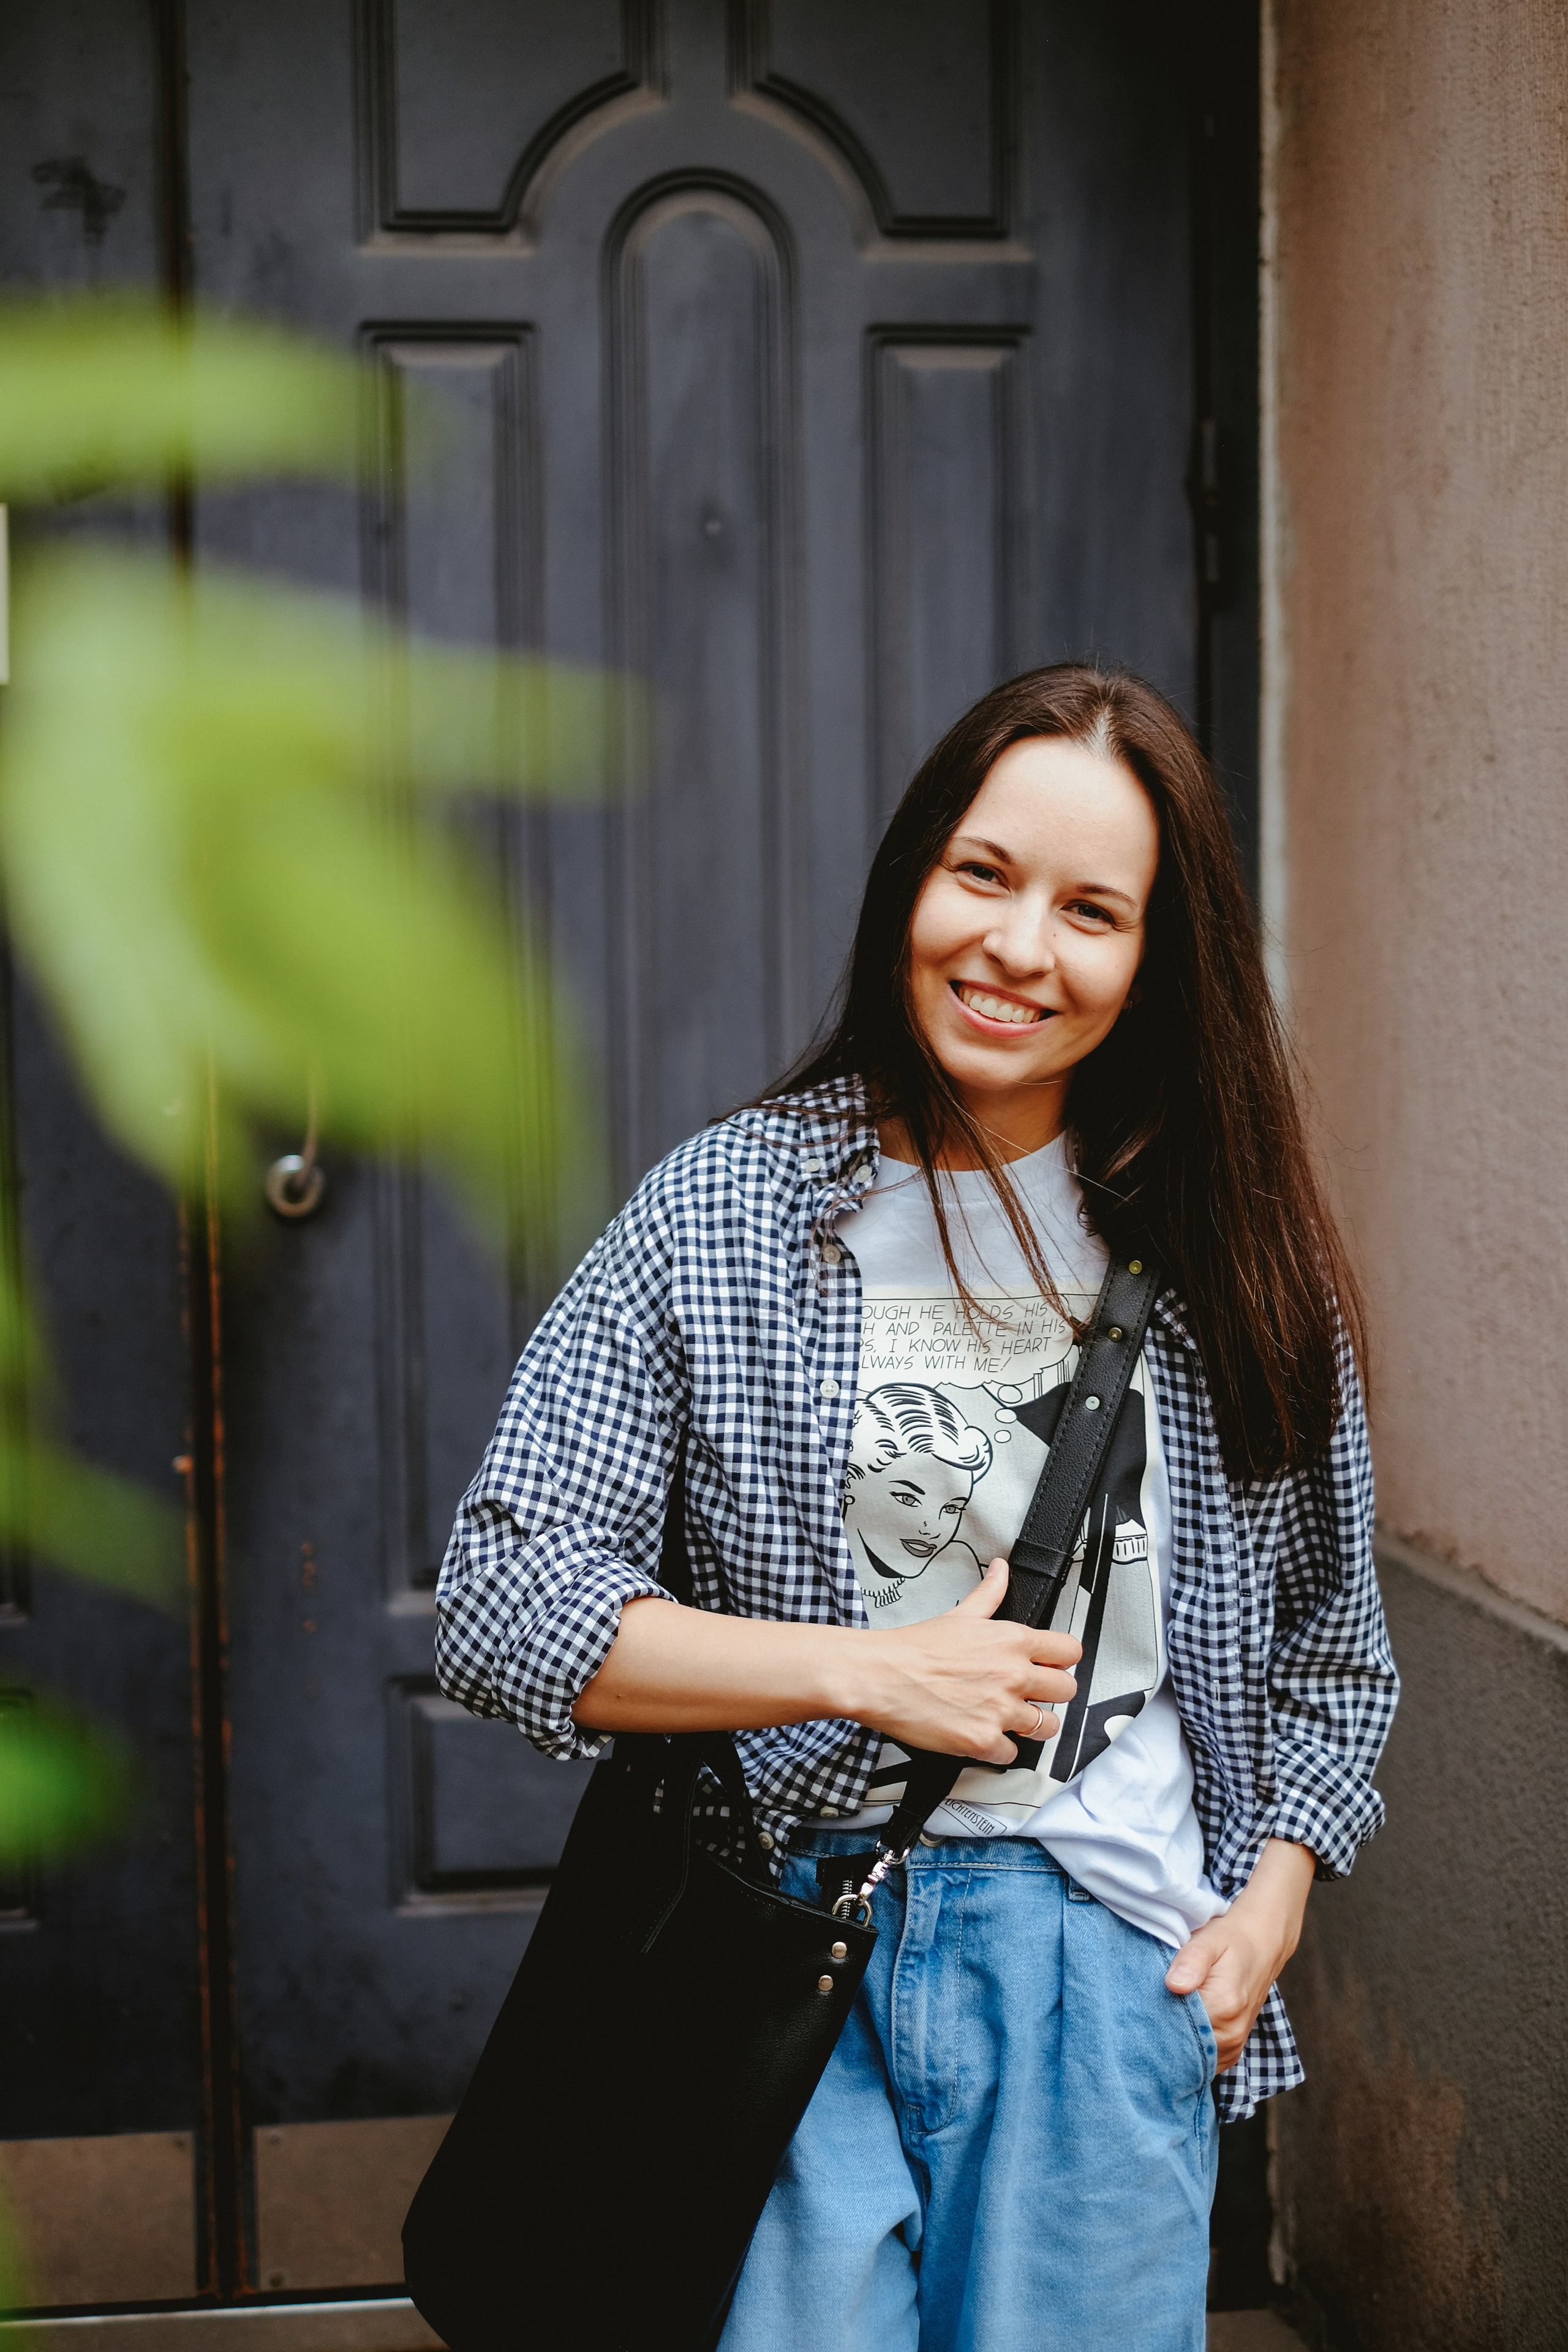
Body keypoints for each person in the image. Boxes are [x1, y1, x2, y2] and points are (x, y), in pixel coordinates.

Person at [437, 665, 1398, 2352]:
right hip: (780, 1954)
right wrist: (864, 1671)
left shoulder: (1232, 1253)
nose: (1020, 947)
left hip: (1106, 1965)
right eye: (984, 875)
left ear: (1157, 958)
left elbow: (1335, 1647)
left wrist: (1270, 1909)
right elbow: (505, 1599)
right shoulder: (728, 1214)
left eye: (1091, 911)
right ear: (912, 881)